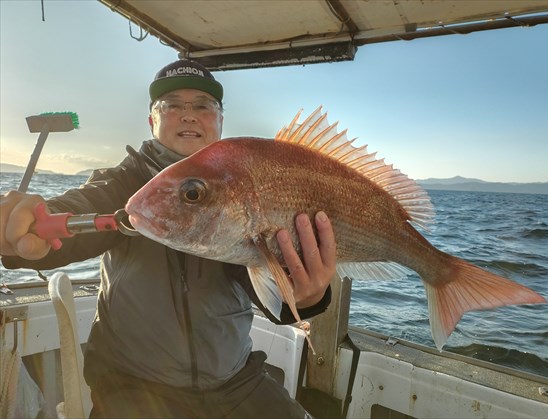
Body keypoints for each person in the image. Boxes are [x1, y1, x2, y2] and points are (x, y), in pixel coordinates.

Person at [0, 59, 337, 418]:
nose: (188, 115)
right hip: (135, 387)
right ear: (152, 121)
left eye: (203, 105)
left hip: (235, 380)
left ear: (220, 121)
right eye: (172, 105)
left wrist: (308, 297)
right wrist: (24, 225)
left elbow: (267, 292)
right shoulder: (125, 184)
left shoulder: (245, 186)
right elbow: (81, 208)